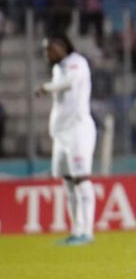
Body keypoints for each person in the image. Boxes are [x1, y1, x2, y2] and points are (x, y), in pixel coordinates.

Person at [35, 34, 96, 245]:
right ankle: (76, 230)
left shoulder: (77, 63)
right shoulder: (57, 68)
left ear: (61, 46)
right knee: (68, 181)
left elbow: (69, 84)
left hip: (79, 130)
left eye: (49, 49)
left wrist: (46, 87)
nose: (46, 54)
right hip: (61, 134)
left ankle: (87, 231)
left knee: (82, 179)